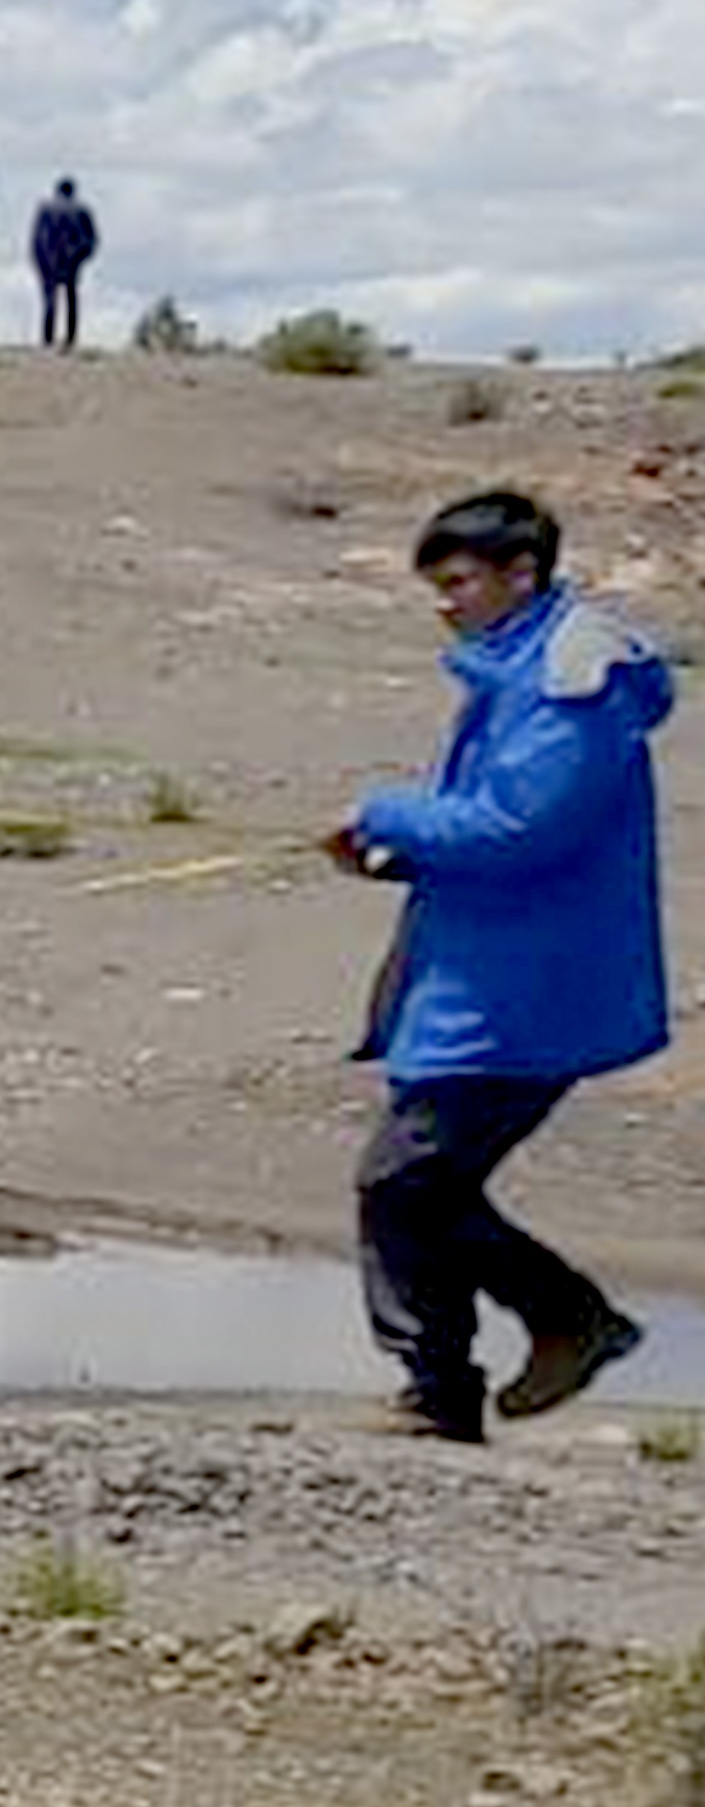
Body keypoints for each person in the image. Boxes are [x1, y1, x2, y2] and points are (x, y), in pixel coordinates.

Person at [320, 490, 662, 1442]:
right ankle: (473, 1370)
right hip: (488, 973)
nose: (444, 603)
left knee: (403, 1183)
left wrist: (385, 811)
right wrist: (389, 855)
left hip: (529, 992)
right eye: (436, 585)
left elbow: (519, 828)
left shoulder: (569, 684)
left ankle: (515, 1347)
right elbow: (499, 834)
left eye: (458, 582)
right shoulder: (518, 670)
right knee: (417, 1186)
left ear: (522, 573)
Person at [29, 178, 99, 351]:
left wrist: (38, 261)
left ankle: (48, 339)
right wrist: (80, 258)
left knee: (49, 300)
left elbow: (37, 238)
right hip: (72, 259)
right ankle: (70, 338)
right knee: (71, 298)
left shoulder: (45, 209)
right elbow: (91, 240)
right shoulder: (82, 210)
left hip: (49, 259)